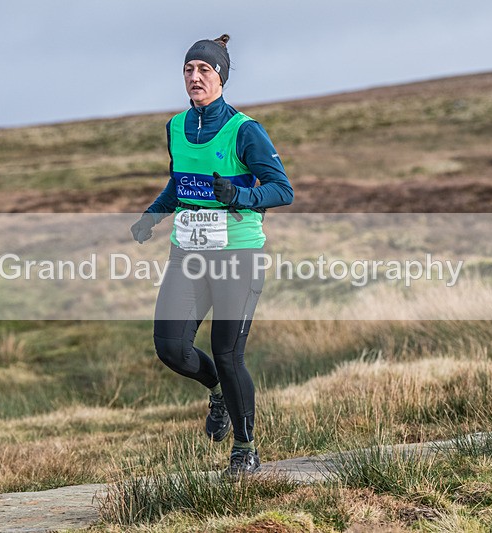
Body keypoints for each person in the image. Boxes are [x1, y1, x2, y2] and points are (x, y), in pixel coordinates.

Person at [130, 34, 293, 477]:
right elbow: (178, 183)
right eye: (189, 70)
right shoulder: (176, 127)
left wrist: (238, 195)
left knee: (227, 352)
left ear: (220, 76)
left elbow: (283, 189)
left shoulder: (245, 130)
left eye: (204, 70)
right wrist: (152, 216)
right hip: (189, 253)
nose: (195, 77)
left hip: (238, 254)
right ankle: (218, 391)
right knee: (170, 347)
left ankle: (245, 450)